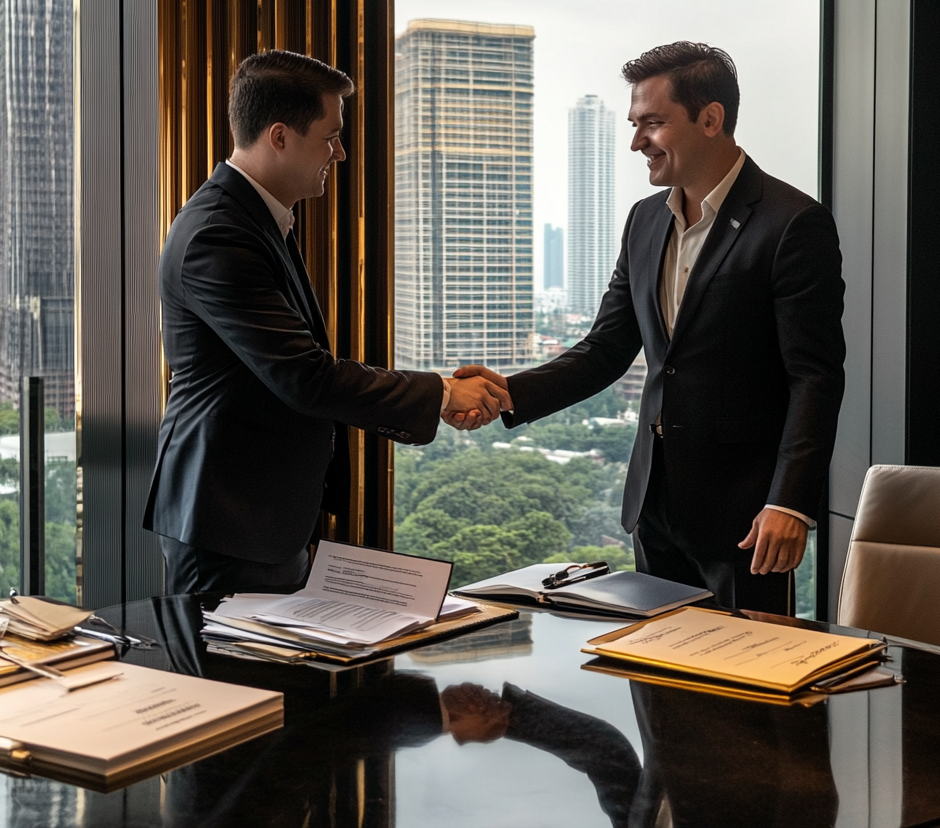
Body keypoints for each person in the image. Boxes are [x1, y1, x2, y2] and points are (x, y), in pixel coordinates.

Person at [455, 42, 844, 614]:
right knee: (657, 665)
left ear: (710, 119)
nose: (637, 142)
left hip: (747, 517)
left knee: (743, 668)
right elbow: (605, 349)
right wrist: (510, 391)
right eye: (635, 124)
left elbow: (815, 377)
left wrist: (789, 503)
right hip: (653, 505)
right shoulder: (643, 220)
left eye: (652, 123)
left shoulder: (793, 223)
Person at [144, 50, 510, 595]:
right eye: (331, 136)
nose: (339, 153)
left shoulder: (254, 219)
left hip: (258, 515)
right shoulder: (218, 235)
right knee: (229, 655)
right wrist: (443, 392)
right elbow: (306, 376)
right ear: (280, 136)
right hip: (226, 519)